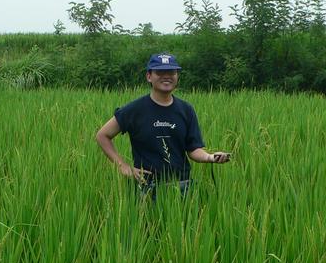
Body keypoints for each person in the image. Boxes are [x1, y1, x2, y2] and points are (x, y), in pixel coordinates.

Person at [95, 53, 231, 199]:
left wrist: (210, 157)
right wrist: (122, 166)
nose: (167, 76)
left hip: (182, 187)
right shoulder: (134, 109)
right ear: (149, 76)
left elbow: (193, 149)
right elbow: (102, 135)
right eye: (160, 72)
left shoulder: (186, 110)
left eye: (172, 72)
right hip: (147, 188)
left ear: (177, 76)